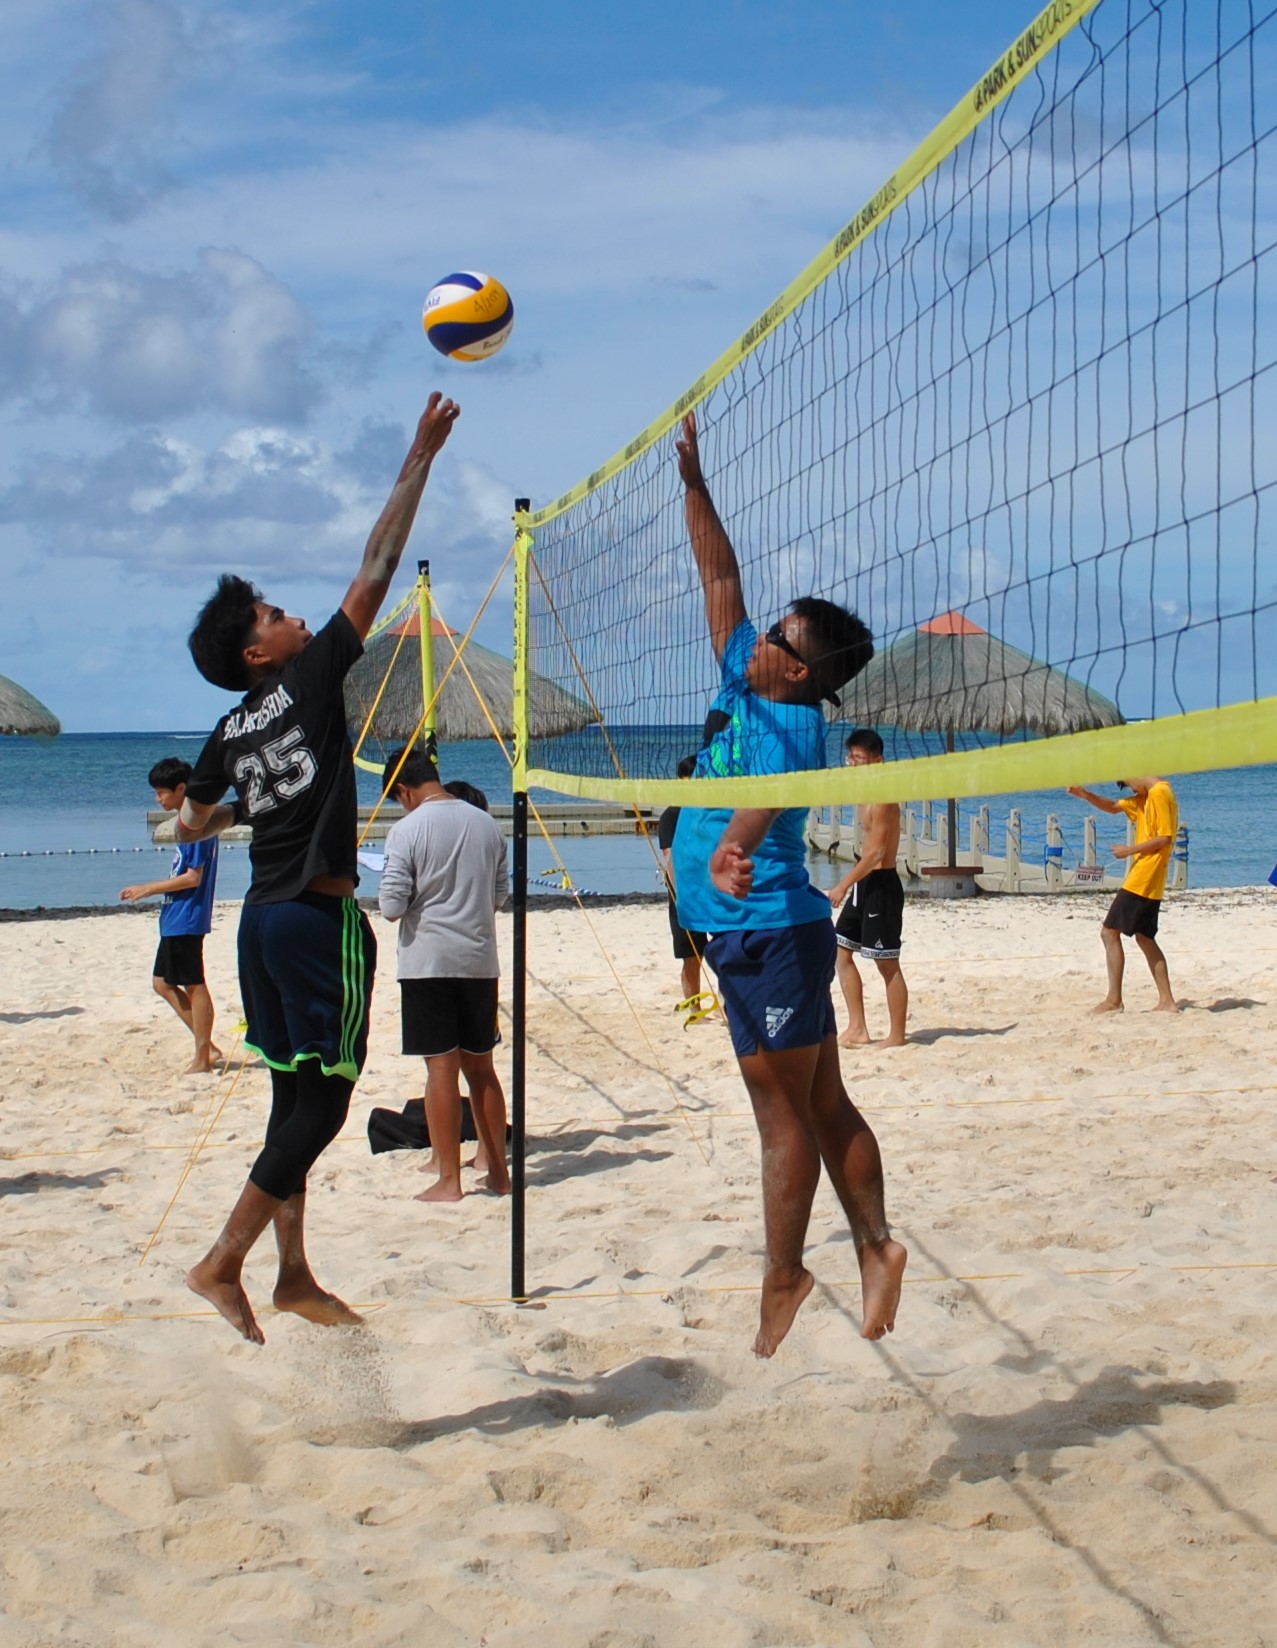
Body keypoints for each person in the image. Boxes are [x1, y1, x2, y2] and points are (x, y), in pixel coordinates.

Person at [174, 391, 461, 1344]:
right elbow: (376, 567)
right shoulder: (304, 677)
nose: (295, 615)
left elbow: (192, 820)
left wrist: (239, 800)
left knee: (290, 1097)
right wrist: (416, 454)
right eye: (275, 613)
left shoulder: (225, 727)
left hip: (256, 921)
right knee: (328, 1103)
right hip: (316, 917)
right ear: (261, 650)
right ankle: (225, 1260)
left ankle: (293, 1272)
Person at [670, 410, 908, 1356]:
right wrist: (694, 482)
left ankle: (786, 1273)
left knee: (784, 1117)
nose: (757, 631)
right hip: (745, 934)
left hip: (769, 929)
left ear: (799, 667)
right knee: (819, 1103)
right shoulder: (743, 680)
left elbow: (766, 793)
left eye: (775, 632)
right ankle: (875, 1249)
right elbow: (719, 578)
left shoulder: (796, 729)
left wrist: (732, 845)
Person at [379, 742, 510, 1202]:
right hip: (478, 959)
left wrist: (423, 897)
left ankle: (449, 1180)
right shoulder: (488, 825)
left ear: (405, 791)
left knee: (441, 1069)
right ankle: (498, 1174)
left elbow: (392, 906)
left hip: (429, 961)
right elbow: (498, 898)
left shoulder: (407, 830)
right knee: (482, 1070)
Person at [119, 757, 220, 1074]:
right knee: (162, 983)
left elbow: (193, 877)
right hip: (176, 915)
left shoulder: (198, 825)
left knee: (194, 984)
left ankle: (203, 1057)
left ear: (181, 789)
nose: (158, 799)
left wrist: (147, 888)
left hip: (188, 915)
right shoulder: (186, 822)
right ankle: (208, 1046)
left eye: (162, 792)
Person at [1067, 776, 1180, 1013]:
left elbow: (1164, 838)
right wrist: (1086, 794)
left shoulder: (1159, 793)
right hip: (1149, 878)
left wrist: (1129, 850)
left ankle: (1114, 1000)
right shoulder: (1145, 798)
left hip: (1144, 877)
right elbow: (1113, 807)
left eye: (1129, 784)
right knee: (1144, 937)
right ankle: (1167, 1001)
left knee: (1109, 932)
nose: (1131, 789)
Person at [830, 729, 908, 1048]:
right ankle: (858, 1027)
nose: (853, 764)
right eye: (851, 758)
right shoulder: (863, 791)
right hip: (864, 883)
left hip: (881, 886)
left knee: (886, 963)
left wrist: (842, 886)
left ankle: (897, 1036)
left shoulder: (883, 798)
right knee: (840, 951)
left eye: (859, 759)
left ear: (878, 760)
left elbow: (876, 852)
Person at [657, 755, 710, 1009]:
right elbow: (671, 859)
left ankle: (732, 1006)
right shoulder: (671, 816)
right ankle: (693, 1007)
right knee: (692, 955)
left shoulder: (710, 812)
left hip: (713, 890)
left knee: (725, 949)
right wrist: (682, 898)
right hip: (684, 894)